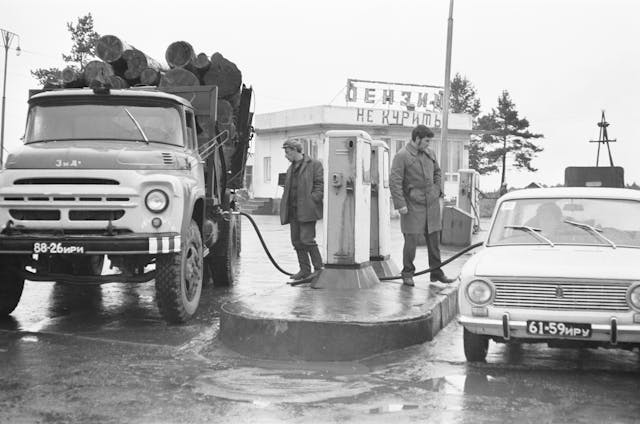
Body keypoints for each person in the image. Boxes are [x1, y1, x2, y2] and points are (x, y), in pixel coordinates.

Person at [390, 125, 455, 287]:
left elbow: (438, 173)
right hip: (412, 205)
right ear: (417, 139)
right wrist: (400, 204)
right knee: (411, 240)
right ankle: (407, 273)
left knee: (434, 241)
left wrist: (436, 190)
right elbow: (395, 181)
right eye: (426, 141)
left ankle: (436, 272)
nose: (428, 144)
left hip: (431, 204)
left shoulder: (430, 153)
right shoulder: (402, 156)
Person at [280, 139, 324, 280]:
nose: (286, 156)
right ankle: (304, 270)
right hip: (293, 210)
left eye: (287, 152)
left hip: (307, 209)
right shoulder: (291, 168)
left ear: (294, 150)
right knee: (297, 241)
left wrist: (313, 199)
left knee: (307, 240)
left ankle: (319, 269)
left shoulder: (314, 164)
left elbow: (320, 184)